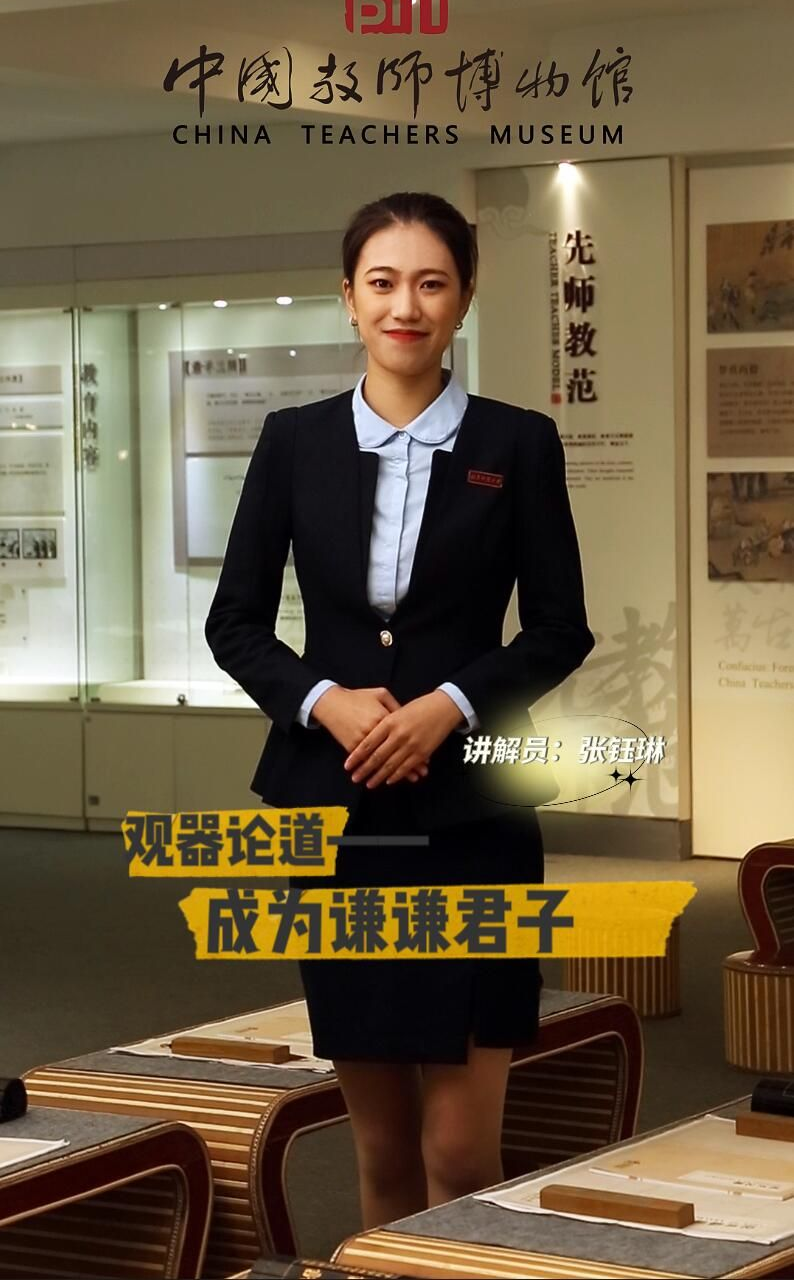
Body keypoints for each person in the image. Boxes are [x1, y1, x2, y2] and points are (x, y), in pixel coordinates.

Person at [205, 190, 595, 1228]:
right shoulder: (293, 442)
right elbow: (234, 622)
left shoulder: (518, 442)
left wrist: (451, 705)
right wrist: (322, 700)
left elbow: (559, 628)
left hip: (475, 818)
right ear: (349, 297)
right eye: (382, 283)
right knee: (378, 1147)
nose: (405, 306)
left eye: (430, 283)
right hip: (340, 821)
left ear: (463, 297)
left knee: (460, 1150)